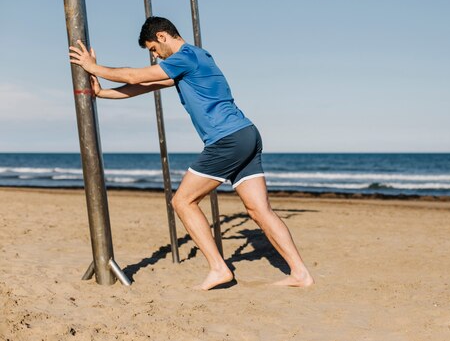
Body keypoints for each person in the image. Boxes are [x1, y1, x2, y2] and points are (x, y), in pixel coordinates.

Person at [68, 16, 314, 290]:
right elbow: (143, 86)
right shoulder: (194, 60)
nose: (154, 55)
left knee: (182, 202)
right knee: (259, 210)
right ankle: (300, 273)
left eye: (152, 48)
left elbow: (134, 75)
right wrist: (103, 94)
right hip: (246, 134)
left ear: (162, 37)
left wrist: (92, 66)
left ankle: (219, 269)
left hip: (228, 139)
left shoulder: (186, 57)